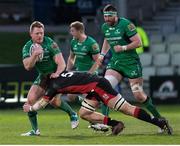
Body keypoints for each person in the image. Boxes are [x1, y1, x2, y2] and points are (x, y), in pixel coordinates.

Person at [95, 4, 171, 133]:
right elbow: (107, 39)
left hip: (131, 63)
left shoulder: (126, 24)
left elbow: (139, 42)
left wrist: (123, 48)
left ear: (116, 15)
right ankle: (106, 123)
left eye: (109, 16)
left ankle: (159, 120)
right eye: (105, 16)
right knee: (105, 88)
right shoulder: (105, 26)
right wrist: (102, 54)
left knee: (138, 95)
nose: (107, 19)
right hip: (116, 62)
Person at [23, 70, 173, 135]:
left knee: (126, 108)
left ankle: (160, 123)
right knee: (84, 113)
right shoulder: (58, 76)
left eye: (41, 89)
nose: (41, 91)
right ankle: (116, 124)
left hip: (99, 86)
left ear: (44, 85)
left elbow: (41, 104)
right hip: (92, 88)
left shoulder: (52, 87)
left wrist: (30, 108)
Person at [21, 21, 78, 136]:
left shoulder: (50, 43)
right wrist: (34, 55)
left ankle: (72, 114)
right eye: (37, 33)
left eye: (41, 33)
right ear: (30, 34)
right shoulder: (27, 47)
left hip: (56, 75)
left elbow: (61, 63)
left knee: (54, 101)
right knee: (30, 100)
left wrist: (57, 73)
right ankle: (35, 130)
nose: (40, 36)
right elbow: (28, 66)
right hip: (43, 76)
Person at [66, 21, 109, 131]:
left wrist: (89, 73)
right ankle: (96, 119)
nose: (71, 33)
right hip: (78, 74)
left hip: (90, 76)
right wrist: (67, 70)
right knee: (70, 97)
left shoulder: (91, 43)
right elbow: (71, 57)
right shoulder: (73, 42)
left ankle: (103, 120)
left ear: (80, 31)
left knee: (89, 100)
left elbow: (98, 61)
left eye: (72, 31)